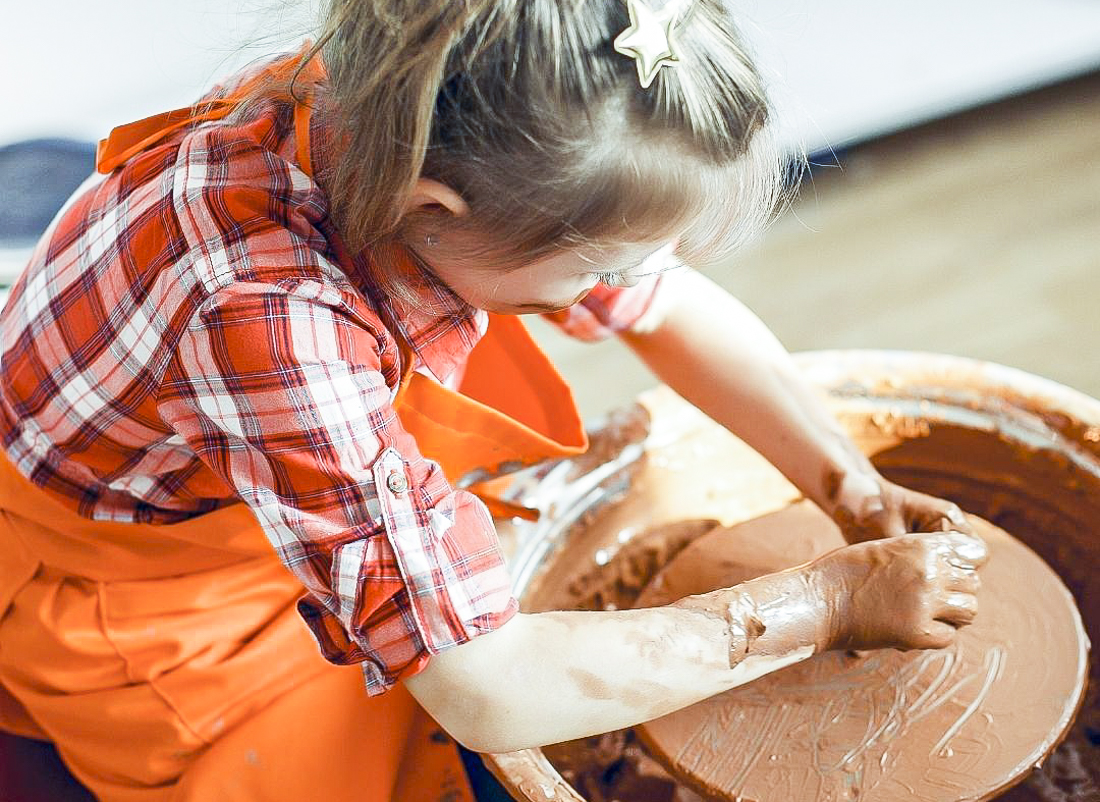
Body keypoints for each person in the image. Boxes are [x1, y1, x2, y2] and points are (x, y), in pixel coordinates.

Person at [0, 0, 987, 800]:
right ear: (435, 214)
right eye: (602, 268)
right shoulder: (273, 316)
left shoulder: (426, 88)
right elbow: (483, 685)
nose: (635, 282)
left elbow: (666, 305)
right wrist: (824, 601)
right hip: (132, 585)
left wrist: (846, 484)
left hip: (239, 450)